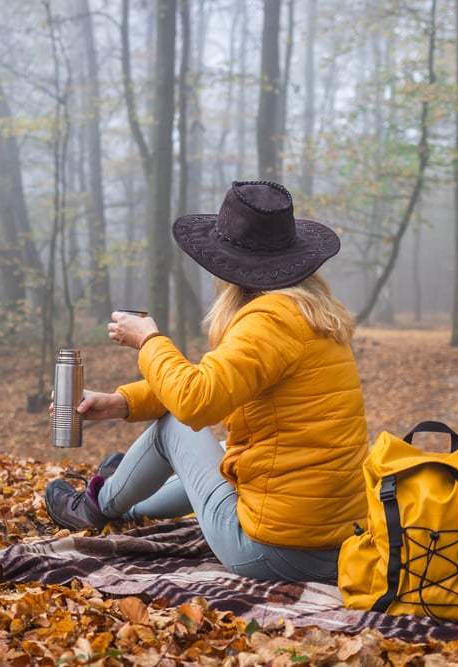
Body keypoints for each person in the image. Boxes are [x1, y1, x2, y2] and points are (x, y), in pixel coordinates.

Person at [44, 180, 368, 583]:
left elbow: (194, 401)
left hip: (273, 552)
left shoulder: (269, 321)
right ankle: (124, 502)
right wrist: (120, 402)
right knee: (218, 447)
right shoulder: (310, 316)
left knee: (175, 426)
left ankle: (94, 505)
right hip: (333, 546)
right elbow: (214, 380)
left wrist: (148, 340)